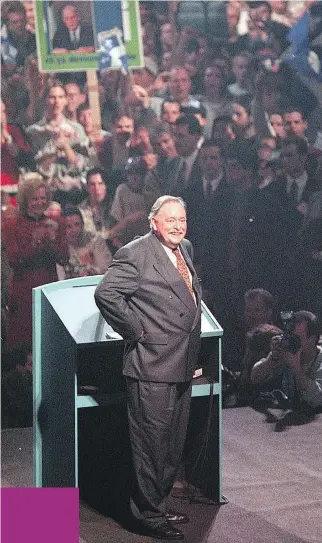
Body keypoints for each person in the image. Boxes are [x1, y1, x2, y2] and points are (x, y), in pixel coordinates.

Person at [95, 195, 202, 540]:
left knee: (171, 444)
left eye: (182, 219)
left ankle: (160, 504)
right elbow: (106, 293)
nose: (177, 225)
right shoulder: (135, 252)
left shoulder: (184, 247)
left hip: (181, 363)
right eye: (170, 219)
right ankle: (149, 516)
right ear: (154, 222)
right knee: (152, 446)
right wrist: (136, 329)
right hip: (150, 365)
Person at [1, 175, 68, 349]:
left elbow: (64, 258)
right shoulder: (11, 226)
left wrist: (52, 240)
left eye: (43, 198)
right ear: (25, 200)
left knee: (49, 339)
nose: (39, 202)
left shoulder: (56, 223)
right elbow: (14, 261)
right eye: (34, 199)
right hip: (24, 291)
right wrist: (35, 242)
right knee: (24, 341)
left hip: (49, 286)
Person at [251, 310, 322, 411]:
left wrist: (297, 369)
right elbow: (255, 378)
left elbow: (318, 400)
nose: (292, 341)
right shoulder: (287, 351)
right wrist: (272, 358)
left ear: (312, 339)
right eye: (290, 336)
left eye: (297, 338)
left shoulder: (320, 361)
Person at [56, 207, 112, 280]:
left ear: (83, 224)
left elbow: (106, 269)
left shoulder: (96, 241)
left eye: (77, 224)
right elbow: (61, 279)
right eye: (69, 226)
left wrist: (91, 271)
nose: (74, 230)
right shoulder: (59, 247)